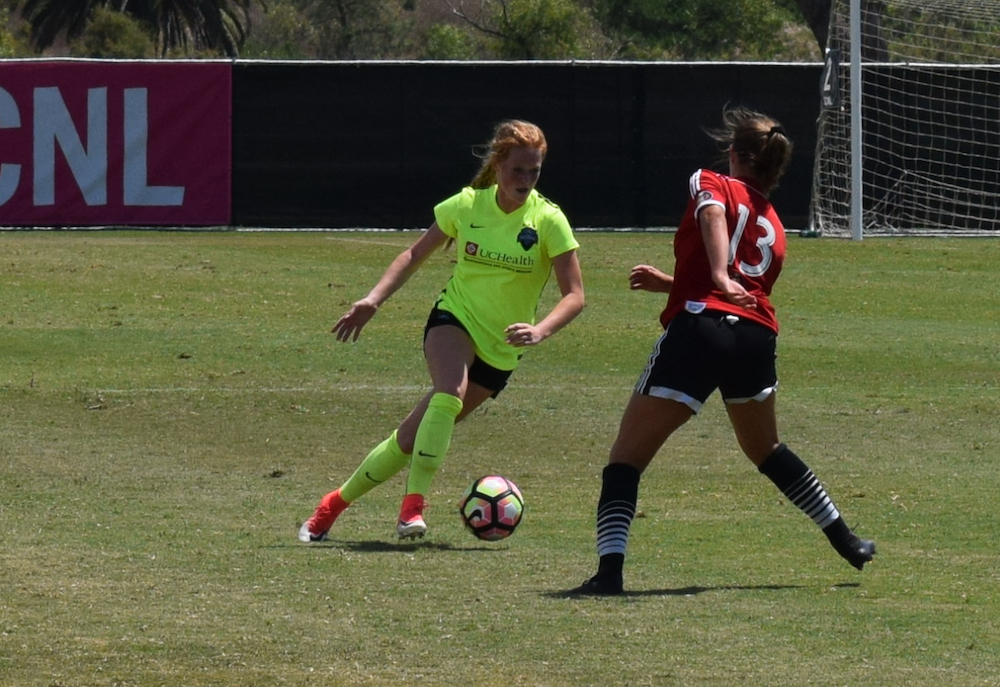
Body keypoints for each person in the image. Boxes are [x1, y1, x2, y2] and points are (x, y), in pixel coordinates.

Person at [569, 106, 875, 595]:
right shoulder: (774, 222)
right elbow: (744, 282)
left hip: (701, 329)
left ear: (734, 153)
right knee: (765, 449)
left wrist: (714, 273)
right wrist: (674, 283)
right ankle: (846, 538)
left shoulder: (710, 180)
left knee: (625, 459)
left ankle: (609, 573)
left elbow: (714, 222)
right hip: (754, 336)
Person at [299, 119, 585, 542]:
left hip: (501, 350)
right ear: (498, 165)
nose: (525, 180)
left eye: (534, 171)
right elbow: (413, 254)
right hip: (454, 319)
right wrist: (372, 300)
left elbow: (575, 295)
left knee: (412, 438)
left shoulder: (548, 220)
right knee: (448, 394)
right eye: (517, 170)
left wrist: (541, 330)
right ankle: (412, 508)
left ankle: (333, 504)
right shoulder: (467, 205)